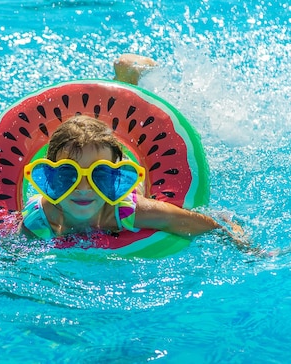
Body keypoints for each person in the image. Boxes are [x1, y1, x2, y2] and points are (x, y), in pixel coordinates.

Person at [17, 53, 248, 246]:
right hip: (104, 160)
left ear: (116, 177)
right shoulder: (40, 219)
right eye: (68, 175)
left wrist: (240, 242)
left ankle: (128, 81)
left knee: (112, 136)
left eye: (100, 176)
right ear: (48, 177)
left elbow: (187, 222)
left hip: (120, 171)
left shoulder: (127, 209)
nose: (84, 188)